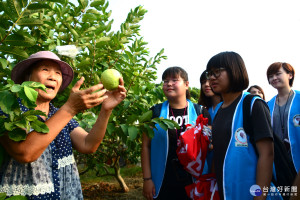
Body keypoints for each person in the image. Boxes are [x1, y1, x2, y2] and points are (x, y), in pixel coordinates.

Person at [0, 51, 126, 199]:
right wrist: (70, 108)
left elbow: (88, 144)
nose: (52, 76)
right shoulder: (8, 110)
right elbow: (24, 153)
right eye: (45, 69)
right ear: (28, 77)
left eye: (58, 73)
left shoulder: (58, 114)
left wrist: (106, 110)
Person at [206, 51, 279, 200]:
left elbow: (267, 154)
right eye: (209, 73)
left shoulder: (253, 104)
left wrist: (259, 196)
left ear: (234, 70)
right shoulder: (219, 109)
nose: (212, 77)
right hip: (227, 191)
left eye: (217, 72)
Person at [141, 66, 211, 200]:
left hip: (193, 179)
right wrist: (147, 179)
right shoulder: (154, 112)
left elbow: (210, 147)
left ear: (186, 85)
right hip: (163, 179)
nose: (169, 84)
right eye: (165, 81)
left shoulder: (200, 112)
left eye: (174, 80)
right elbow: (146, 146)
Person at [266, 62, 299, 173]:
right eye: (270, 76)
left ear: (290, 75)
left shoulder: (298, 98)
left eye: (278, 74)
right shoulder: (268, 104)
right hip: (278, 159)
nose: (274, 78)